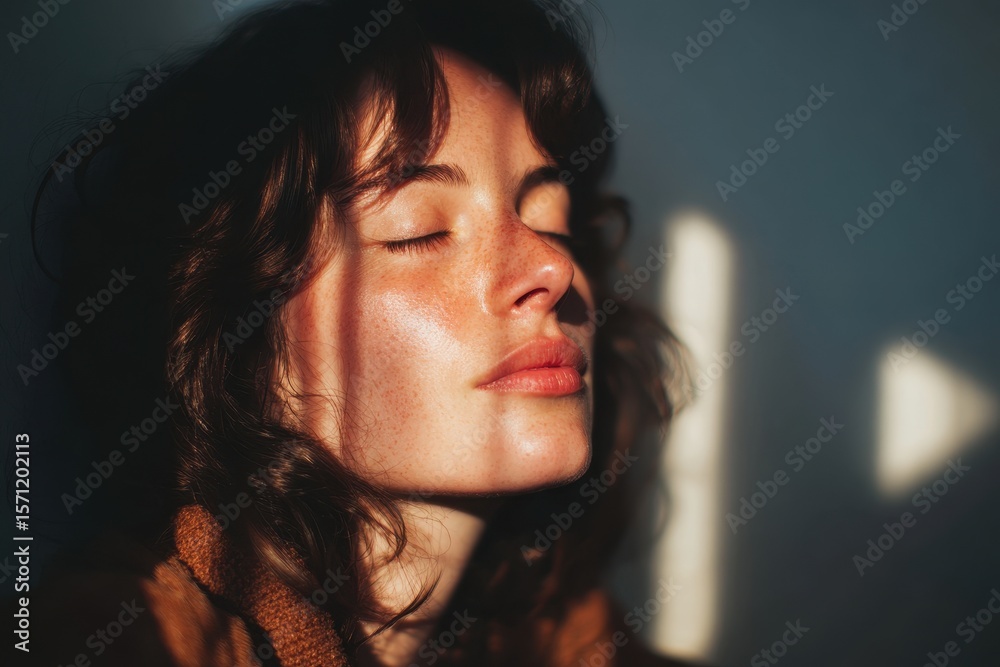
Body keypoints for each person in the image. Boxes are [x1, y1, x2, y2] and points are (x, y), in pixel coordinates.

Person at [27, 1, 689, 665]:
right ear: (238, 342)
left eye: (552, 221)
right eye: (421, 231)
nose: (552, 267)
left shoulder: (565, 637)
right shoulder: (119, 639)